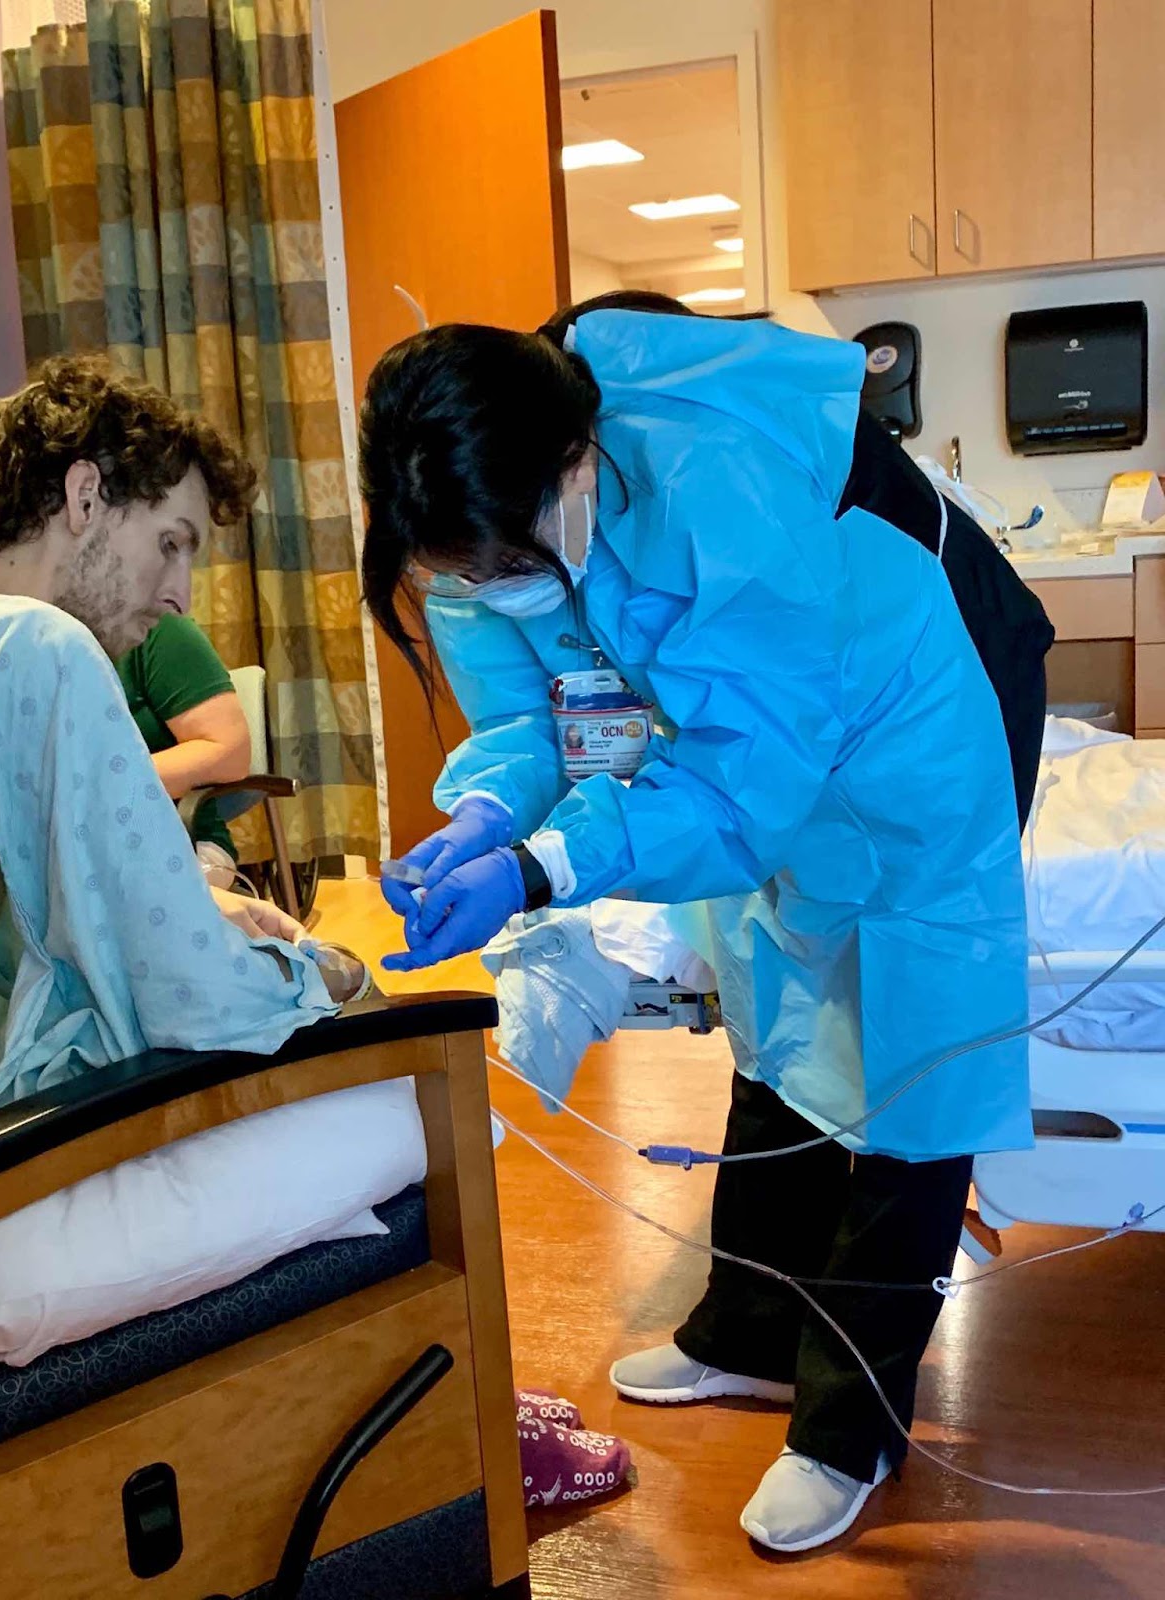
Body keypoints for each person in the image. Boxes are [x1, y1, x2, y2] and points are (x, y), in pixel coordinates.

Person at [358, 304, 1038, 1553]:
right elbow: (540, 720)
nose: (486, 590)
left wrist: (542, 867)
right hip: (761, 746)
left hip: (913, 719)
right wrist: (488, 812)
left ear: (577, 464)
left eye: (501, 564)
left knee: (916, 1053)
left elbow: (741, 787)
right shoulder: (465, 526)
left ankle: (848, 1428)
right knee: (771, 1010)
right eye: (465, 575)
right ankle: (750, 1335)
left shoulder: (715, 486)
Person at [0, 356, 365, 1110]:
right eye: (170, 543)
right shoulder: (38, 645)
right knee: (379, 1102)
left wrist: (193, 904)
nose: (180, 596)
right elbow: (190, 994)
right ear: (85, 496)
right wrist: (320, 972)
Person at [116, 611, 252, 885]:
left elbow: (229, 753)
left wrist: (100, 787)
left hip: (179, 843)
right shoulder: (33, 642)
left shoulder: (155, 628)